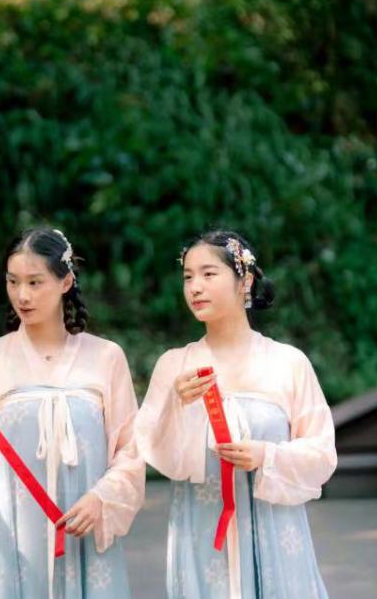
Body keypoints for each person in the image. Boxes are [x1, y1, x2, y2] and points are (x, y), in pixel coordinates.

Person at [0, 227, 144, 598]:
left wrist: (102, 497)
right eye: (13, 282)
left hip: (84, 532)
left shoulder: (106, 357)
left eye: (34, 282)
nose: (22, 296)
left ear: (65, 282)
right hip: (11, 536)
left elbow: (132, 450)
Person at [134, 230, 336, 598]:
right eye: (188, 277)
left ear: (244, 280)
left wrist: (267, 455)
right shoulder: (175, 365)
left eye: (209, 274)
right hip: (201, 533)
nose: (195, 287)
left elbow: (322, 455)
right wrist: (175, 407)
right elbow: (151, 449)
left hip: (276, 532)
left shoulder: (288, 363)